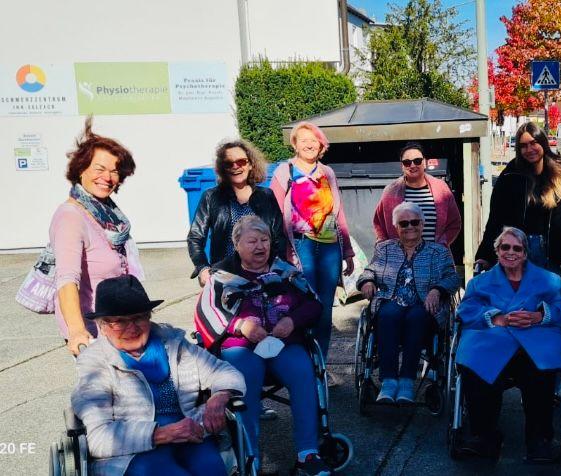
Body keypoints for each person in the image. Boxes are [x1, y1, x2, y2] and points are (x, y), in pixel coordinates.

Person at [194, 216, 332, 475]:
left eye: (264, 240)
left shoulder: (286, 272)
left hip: (283, 342)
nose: (260, 246)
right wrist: (240, 326)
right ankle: (249, 458)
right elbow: (206, 312)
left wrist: (292, 320)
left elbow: (313, 303)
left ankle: (307, 453)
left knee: (303, 372)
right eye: (252, 241)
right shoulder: (221, 276)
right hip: (240, 346)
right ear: (237, 245)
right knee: (243, 380)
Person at [72, 275, 246, 476]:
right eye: (119, 322)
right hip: (134, 451)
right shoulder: (94, 363)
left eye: (138, 317)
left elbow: (225, 372)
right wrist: (161, 434)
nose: (132, 328)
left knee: (211, 469)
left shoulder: (173, 343)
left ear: (149, 317)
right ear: (102, 326)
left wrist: (220, 396)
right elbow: (99, 438)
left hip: (191, 434)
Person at [456, 227, 561, 462]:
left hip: (532, 344)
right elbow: (466, 309)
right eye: (505, 247)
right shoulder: (480, 282)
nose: (511, 252)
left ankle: (539, 441)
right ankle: (484, 438)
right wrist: (496, 318)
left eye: (517, 248)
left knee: (540, 373)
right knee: (476, 369)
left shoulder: (548, 280)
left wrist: (539, 316)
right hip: (493, 343)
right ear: (497, 251)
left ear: (525, 253)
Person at [52, 118, 144, 356]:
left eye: (115, 171)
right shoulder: (71, 216)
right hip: (95, 332)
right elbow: (66, 278)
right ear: (81, 169)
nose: (108, 177)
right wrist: (76, 331)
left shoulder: (107, 214)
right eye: (99, 169)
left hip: (121, 323)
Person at [357, 202, 461, 404]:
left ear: (422, 224)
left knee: (416, 317)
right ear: (396, 227)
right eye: (404, 223)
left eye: (414, 222)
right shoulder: (385, 249)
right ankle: (388, 382)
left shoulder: (438, 252)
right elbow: (369, 271)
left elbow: (453, 277)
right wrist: (367, 281)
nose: (410, 227)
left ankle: (406, 382)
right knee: (388, 314)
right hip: (391, 301)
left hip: (424, 305)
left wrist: (437, 290)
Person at [271, 121, 354, 362]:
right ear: (295, 145)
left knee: (324, 309)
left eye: (314, 140)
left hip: (329, 248)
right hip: (300, 246)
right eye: (304, 140)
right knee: (303, 305)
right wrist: (283, 251)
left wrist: (347, 250)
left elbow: (338, 212)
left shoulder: (327, 173)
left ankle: (320, 364)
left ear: (321, 145)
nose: (309, 144)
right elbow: (274, 214)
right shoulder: (284, 172)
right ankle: (303, 361)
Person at [475, 122, 561, 276]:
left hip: (552, 258)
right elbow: (496, 219)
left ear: (543, 143)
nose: (529, 149)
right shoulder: (510, 176)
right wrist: (485, 255)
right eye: (523, 146)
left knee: (550, 292)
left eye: (534, 143)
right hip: (516, 255)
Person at [187, 139, 286, 286]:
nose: (235, 167)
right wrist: (203, 268)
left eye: (241, 162)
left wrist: (277, 268)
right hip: (225, 275)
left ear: (250, 164)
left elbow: (279, 238)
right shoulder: (211, 197)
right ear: (222, 168)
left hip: (262, 273)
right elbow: (195, 237)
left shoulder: (266, 196)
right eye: (229, 163)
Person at [373, 141, 461, 246]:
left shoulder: (441, 188)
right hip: (400, 255)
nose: (412, 165)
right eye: (407, 162)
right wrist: (385, 247)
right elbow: (378, 223)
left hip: (434, 255)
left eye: (417, 161)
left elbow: (454, 222)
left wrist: (442, 244)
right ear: (402, 166)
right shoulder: (390, 191)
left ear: (424, 163)